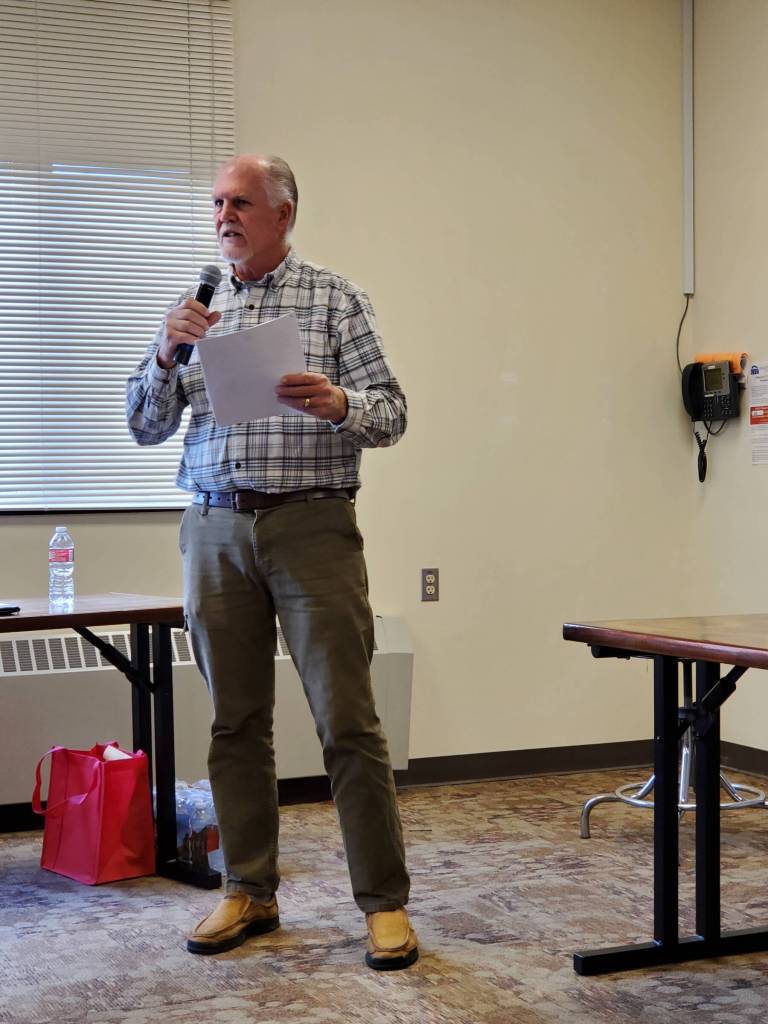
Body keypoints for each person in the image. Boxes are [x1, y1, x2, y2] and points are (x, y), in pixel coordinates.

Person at [126, 154, 417, 970]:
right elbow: (144, 428)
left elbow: (391, 412)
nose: (225, 216)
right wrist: (162, 355)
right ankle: (247, 890)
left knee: (348, 722)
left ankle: (383, 906)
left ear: (284, 214)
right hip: (216, 527)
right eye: (218, 203)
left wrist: (340, 404)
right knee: (236, 723)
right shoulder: (194, 308)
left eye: (241, 203)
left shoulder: (336, 299)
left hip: (312, 527)